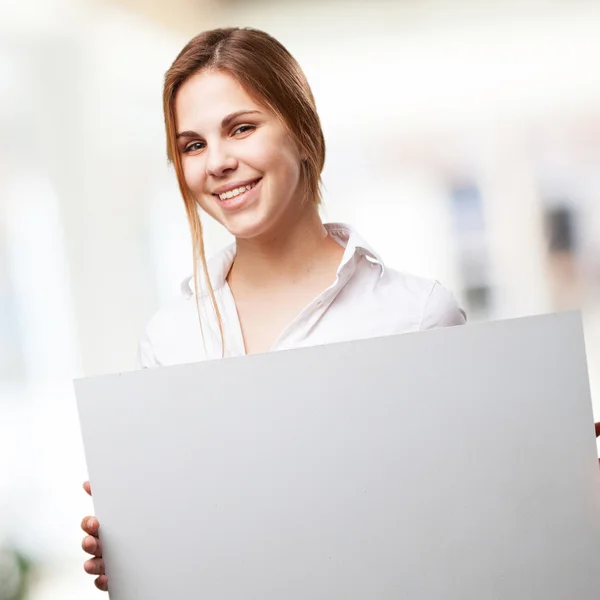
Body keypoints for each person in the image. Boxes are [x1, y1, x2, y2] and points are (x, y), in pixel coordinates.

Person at [79, 27, 600, 592]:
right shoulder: (170, 340)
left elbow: (471, 526)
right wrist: (136, 553)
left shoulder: (414, 315)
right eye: (193, 145)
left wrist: (564, 500)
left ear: (304, 133)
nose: (218, 162)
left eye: (242, 128)